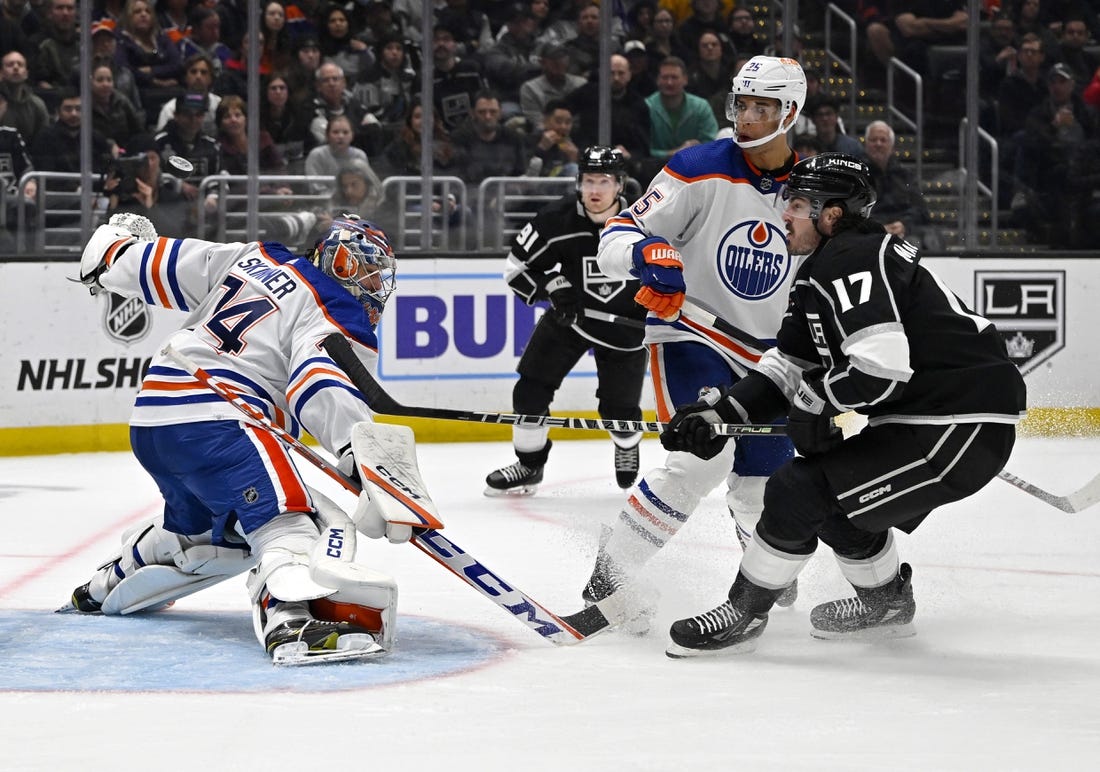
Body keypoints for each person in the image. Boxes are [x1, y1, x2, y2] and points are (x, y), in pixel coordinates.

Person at [659, 152, 1027, 657]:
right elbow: (787, 366)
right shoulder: (827, 267)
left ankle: (744, 612)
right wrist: (720, 414)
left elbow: (881, 368)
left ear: (831, 215)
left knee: (799, 487)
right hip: (939, 417)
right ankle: (886, 604)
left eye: (797, 204)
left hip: (956, 424)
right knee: (837, 498)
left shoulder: (851, 259)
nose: (784, 213)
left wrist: (814, 402)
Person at [64, 212, 404, 664]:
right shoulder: (335, 307)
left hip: (154, 415)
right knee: (289, 520)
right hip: (223, 415)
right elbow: (319, 379)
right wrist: (359, 454)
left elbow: (146, 263)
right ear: (332, 261)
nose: (365, 283)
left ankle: (106, 584)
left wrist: (113, 252)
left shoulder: (254, 255)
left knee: (218, 537)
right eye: (357, 268)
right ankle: (289, 620)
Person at [583, 55, 805, 620]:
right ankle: (609, 578)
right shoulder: (699, 166)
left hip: (771, 360)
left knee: (765, 481)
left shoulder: (810, 191)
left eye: (764, 107)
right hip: (693, 336)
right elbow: (618, 233)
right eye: (743, 104)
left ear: (792, 112)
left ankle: (764, 579)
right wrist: (644, 251)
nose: (748, 117)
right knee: (700, 459)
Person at [485, 146, 647, 496]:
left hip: (626, 327)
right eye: (588, 180)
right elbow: (515, 270)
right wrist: (551, 286)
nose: (595, 190)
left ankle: (626, 443)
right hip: (569, 317)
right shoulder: (555, 219)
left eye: (604, 181)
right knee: (529, 390)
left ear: (620, 185)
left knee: (619, 410)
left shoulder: (646, 221)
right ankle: (529, 466)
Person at [863, 120, 930, 241]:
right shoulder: (857, 175)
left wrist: (904, 224)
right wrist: (878, 227)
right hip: (869, 234)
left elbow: (921, 210)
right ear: (866, 145)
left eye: (883, 140)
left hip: (905, 233)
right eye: (873, 140)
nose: (878, 144)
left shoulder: (905, 175)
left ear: (892, 147)